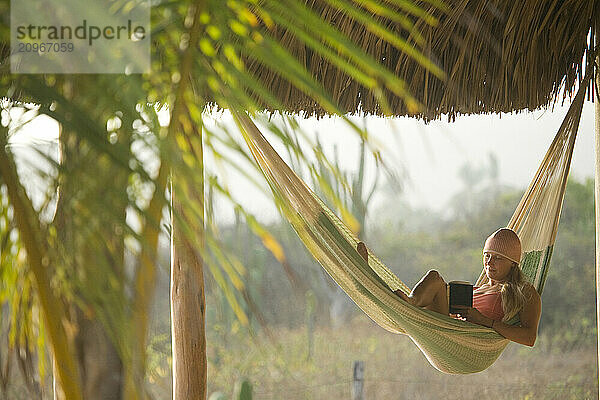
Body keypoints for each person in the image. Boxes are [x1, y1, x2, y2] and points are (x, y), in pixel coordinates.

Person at [357, 228, 541, 347]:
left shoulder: (524, 291)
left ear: (512, 263)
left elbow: (529, 337)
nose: (489, 263)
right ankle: (396, 297)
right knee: (435, 280)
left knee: (436, 279)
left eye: (498, 258)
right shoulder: (479, 288)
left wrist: (485, 321)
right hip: (448, 326)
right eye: (487, 256)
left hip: (459, 341)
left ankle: (406, 302)